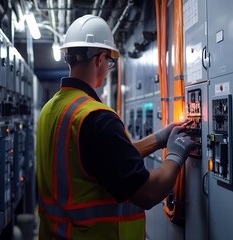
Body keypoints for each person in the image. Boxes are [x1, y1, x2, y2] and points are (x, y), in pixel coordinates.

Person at [36, 14, 196, 239]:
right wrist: (176, 156)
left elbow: (105, 160)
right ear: (100, 58)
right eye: (110, 62)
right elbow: (148, 194)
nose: (109, 67)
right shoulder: (96, 117)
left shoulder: (51, 110)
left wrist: (160, 138)